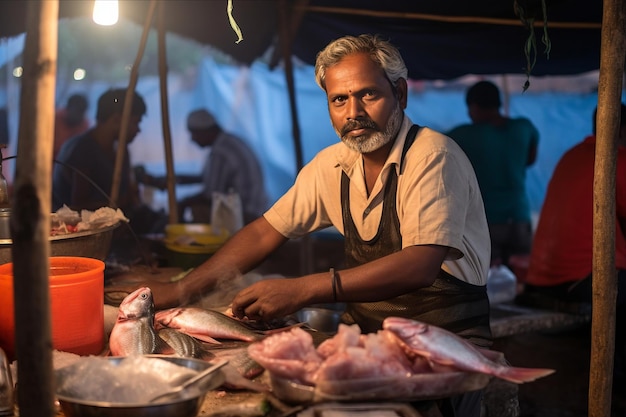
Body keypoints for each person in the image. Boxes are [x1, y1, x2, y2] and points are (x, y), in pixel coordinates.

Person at [108, 34, 492, 416]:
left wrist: (306, 288)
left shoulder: (433, 157)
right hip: (369, 342)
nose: (352, 112)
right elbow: (264, 231)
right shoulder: (332, 166)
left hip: (446, 344)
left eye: (368, 95)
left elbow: (420, 264)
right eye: (339, 99)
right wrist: (181, 290)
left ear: (401, 95)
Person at [522, 104, 626, 402]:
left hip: (541, 280)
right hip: (579, 283)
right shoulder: (616, 160)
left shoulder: (571, 155)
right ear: (619, 131)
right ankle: (617, 384)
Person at [447, 81, 539, 268]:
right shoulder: (524, 127)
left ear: (473, 107)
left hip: (486, 222)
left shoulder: (462, 135)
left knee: (490, 282)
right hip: (519, 218)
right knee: (520, 277)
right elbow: (530, 160)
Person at [52, 88, 167, 237]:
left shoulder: (120, 151)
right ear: (117, 120)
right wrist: (116, 204)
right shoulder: (82, 150)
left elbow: (127, 193)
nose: (138, 130)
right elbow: (77, 208)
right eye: (136, 122)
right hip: (80, 232)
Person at [136, 109, 268, 225]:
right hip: (258, 207)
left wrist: (183, 203)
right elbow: (206, 178)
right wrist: (173, 179)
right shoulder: (229, 142)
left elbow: (211, 194)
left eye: (194, 133)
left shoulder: (220, 153)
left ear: (206, 131)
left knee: (198, 210)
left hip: (246, 213)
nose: (192, 139)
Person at [53, 93, 90, 160]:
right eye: (77, 111)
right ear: (67, 108)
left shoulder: (84, 127)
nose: (79, 116)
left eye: (81, 112)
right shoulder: (54, 119)